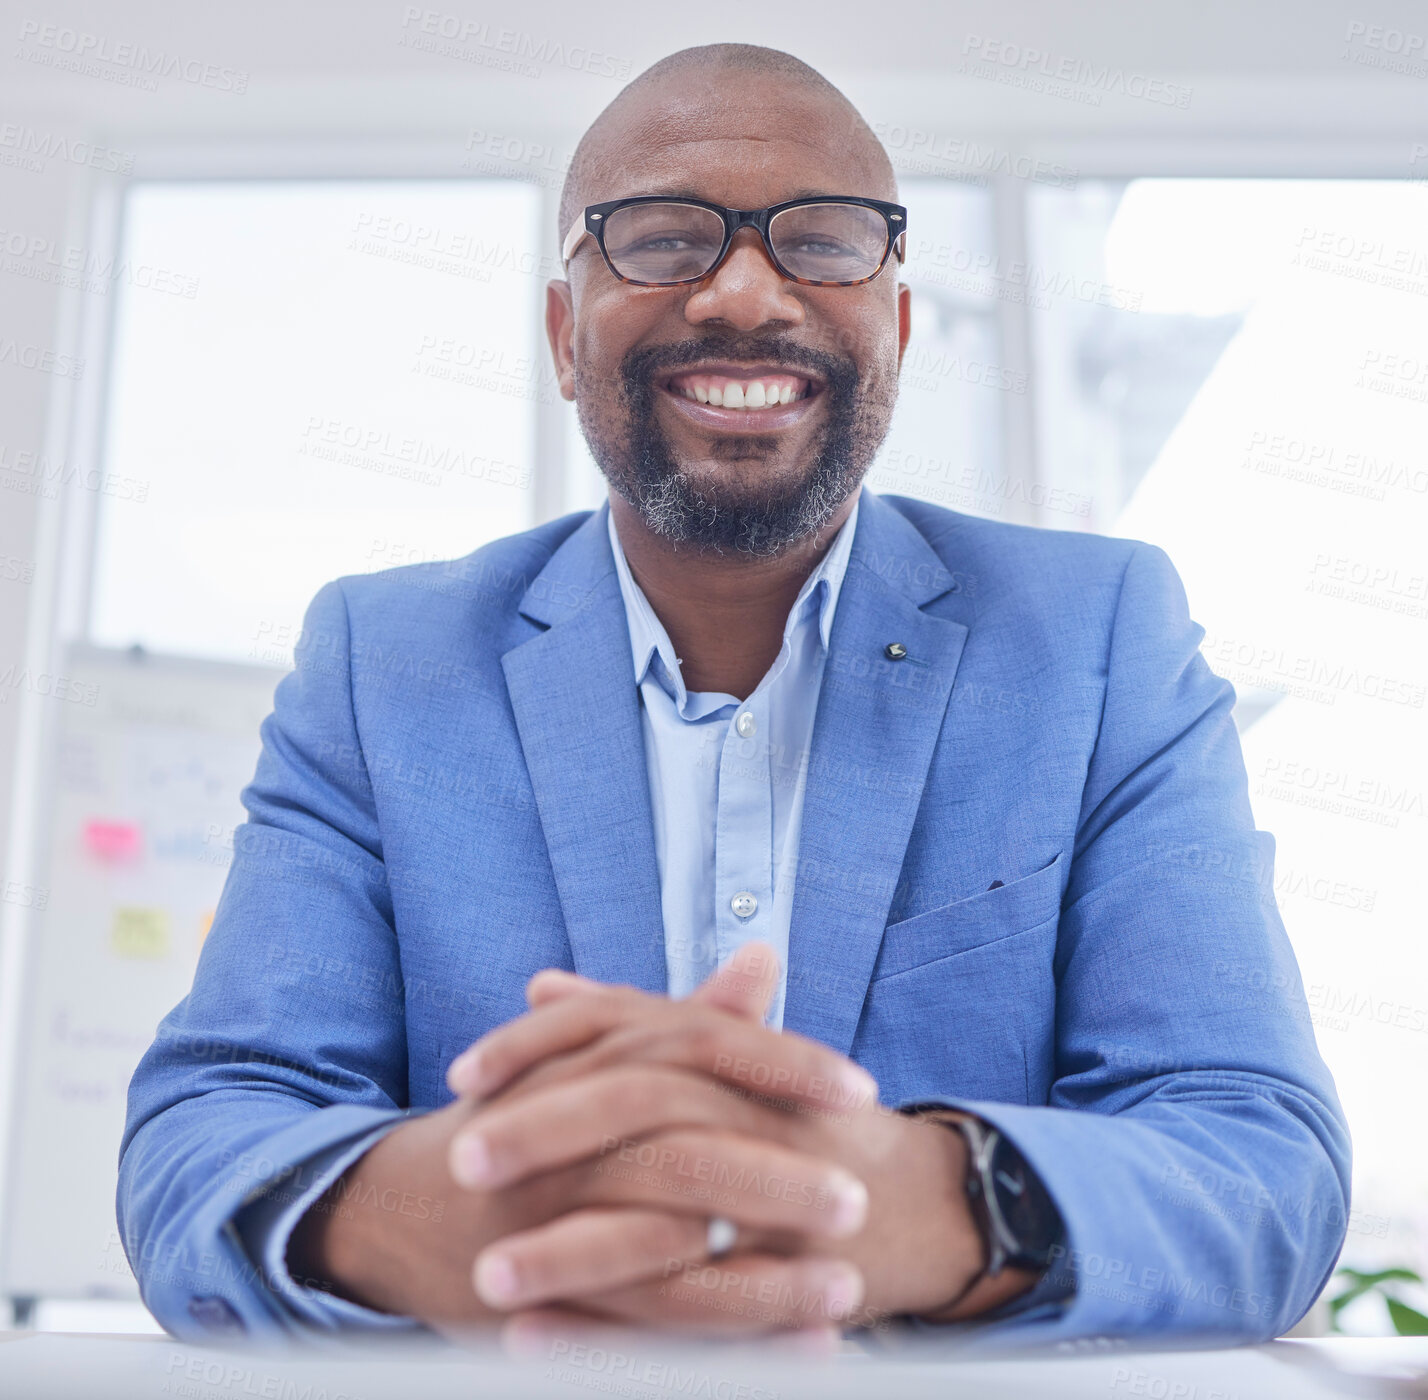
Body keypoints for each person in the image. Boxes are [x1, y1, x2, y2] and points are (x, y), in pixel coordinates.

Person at [118, 43, 1349, 1346]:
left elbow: (1259, 1161)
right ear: (560, 330)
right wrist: (438, 1213)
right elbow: (203, 1133)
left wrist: (932, 1206)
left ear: (900, 323)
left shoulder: (1099, 644)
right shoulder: (383, 662)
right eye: (660, 240)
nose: (744, 292)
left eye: (822, 242)